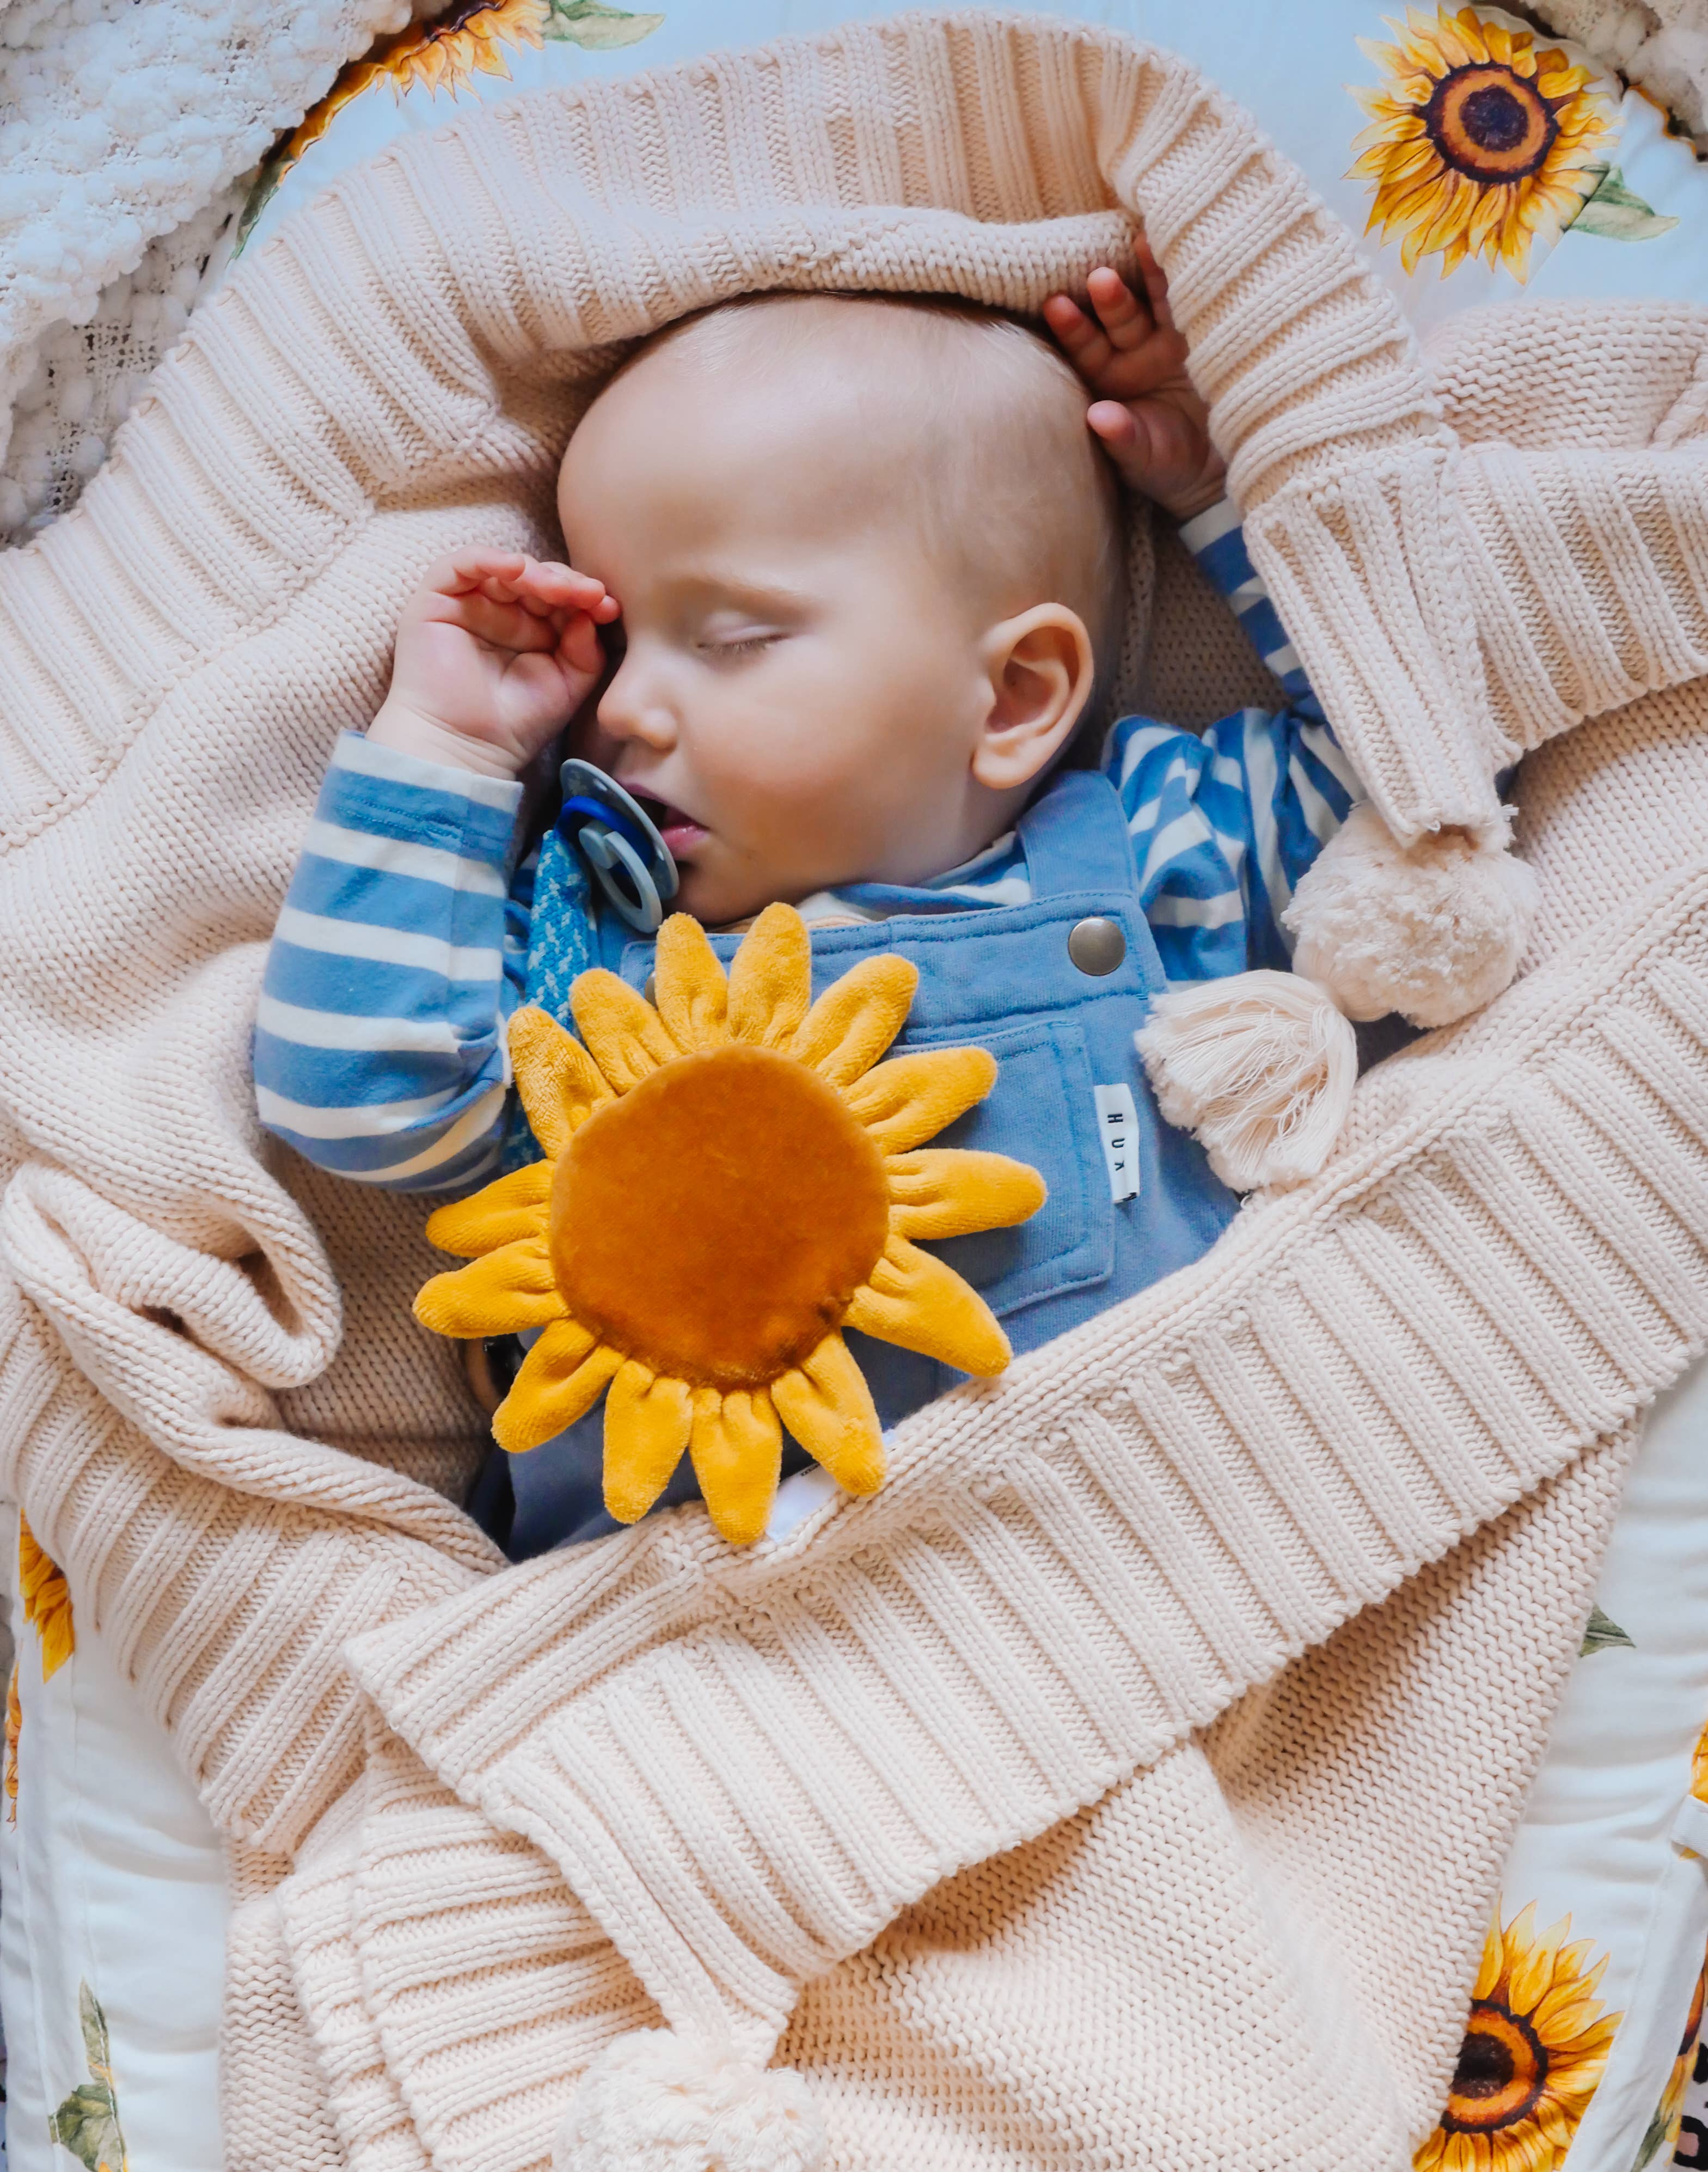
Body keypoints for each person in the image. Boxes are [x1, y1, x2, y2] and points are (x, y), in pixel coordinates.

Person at [253, 239, 1362, 1556]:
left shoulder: (1157, 849)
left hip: (1130, 1549)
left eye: (730, 639)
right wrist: (447, 746)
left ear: (1014, 696)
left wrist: (1223, 494)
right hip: (716, 1632)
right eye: (615, 646)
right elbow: (354, 1104)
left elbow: (1395, 771)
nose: (625, 707)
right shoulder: (579, 958)